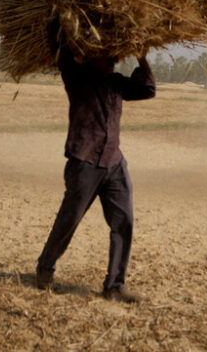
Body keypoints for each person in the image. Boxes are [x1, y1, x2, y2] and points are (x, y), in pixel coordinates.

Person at [35, 46, 156, 303]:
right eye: (106, 54)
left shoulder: (116, 83)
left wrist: (142, 56)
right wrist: (61, 15)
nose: (112, 59)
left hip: (114, 162)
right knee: (69, 219)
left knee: (124, 223)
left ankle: (114, 286)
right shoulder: (76, 77)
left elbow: (148, 89)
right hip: (84, 162)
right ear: (90, 56)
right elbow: (60, 49)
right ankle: (45, 268)